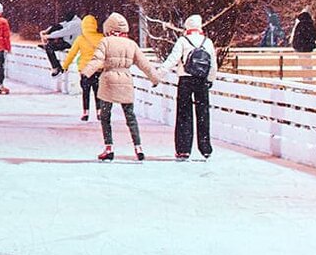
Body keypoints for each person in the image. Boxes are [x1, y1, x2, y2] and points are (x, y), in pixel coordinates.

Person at [82, 13, 160, 162]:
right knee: (130, 116)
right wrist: (154, 78)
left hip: (108, 80)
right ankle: (138, 148)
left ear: (109, 28)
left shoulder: (106, 42)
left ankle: (109, 147)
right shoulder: (131, 44)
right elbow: (145, 64)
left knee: (105, 116)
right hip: (126, 80)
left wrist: (86, 73)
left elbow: (97, 60)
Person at [159, 14, 215, 161]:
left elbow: (172, 59)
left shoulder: (183, 41)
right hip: (202, 81)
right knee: (203, 114)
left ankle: (183, 149)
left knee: (184, 114)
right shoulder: (207, 42)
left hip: (185, 80)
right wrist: (210, 79)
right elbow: (213, 64)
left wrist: (159, 74)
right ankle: (205, 148)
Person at [60, 15, 103, 121]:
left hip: (85, 70)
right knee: (98, 92)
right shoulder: (101, 38)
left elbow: (72, 54)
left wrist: (65, 66)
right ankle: (99, 112)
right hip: (98, 69)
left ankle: (85, 112)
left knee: (86, 91)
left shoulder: (81, 39)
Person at [40, 12, 82, 76]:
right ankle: (48, 45)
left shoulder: (75, 24)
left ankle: (56, 67)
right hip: (68, 41)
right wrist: (47, 31)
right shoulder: (72, 21)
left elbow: (62, 32)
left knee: (49, 48)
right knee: (57, 27)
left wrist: (48, 36)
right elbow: (61, 25)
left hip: (72, 43)